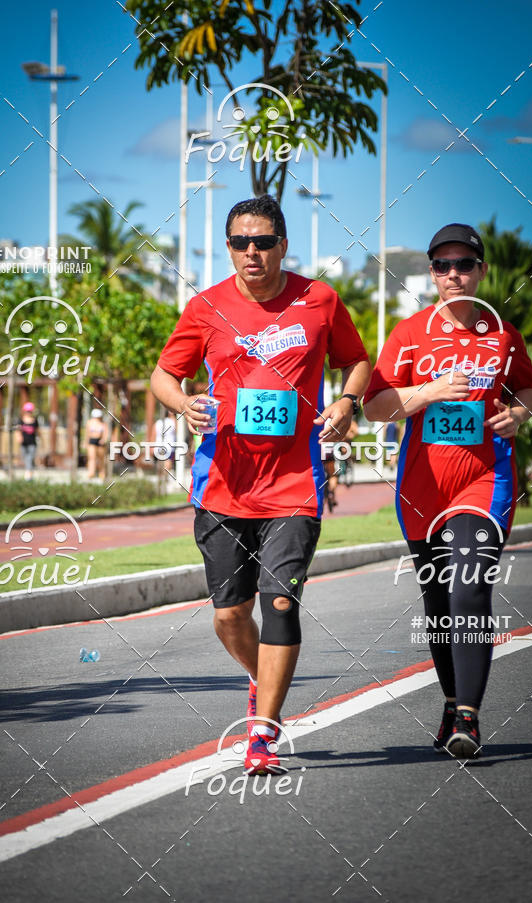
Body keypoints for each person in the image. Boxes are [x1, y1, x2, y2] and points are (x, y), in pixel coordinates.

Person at [150, 194, 371, 774]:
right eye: (241, 242)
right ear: (228, 247)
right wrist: (184, 403)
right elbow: (164, 374)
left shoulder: (318, 300)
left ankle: (263, 733)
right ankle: (261, 678)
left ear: (283, 244)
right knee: (229, 615)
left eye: (264, 241)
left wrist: (348, 402)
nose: (253, 252)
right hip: (221, 483)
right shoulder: (205, 307)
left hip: (295, 482)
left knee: (279, 600)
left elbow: (357, 360)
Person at [363, 223, 532, 759]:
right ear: (432, 274)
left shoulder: (503, 334)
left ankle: (469, 715)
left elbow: (530, 387)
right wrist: (428, 391)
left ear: (481, 271)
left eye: (463, 264)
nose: (453, 274)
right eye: (442, 266)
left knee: (468, 589)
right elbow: (376, 407)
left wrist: (517, 414)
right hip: (422, 486)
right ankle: (450, 701)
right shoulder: (410, 333)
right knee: (438, 601)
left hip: (484, 478)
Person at [17, 402, 39, 480]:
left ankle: (28, 475)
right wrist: (19, 437)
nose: (28, 413)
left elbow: (38, 431)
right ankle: (30, 474)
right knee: (25, 458)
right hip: (24, 443)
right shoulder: (21, 420)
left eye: (30, 411)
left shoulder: (35, 421)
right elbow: (18, 430)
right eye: (27, 411)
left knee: (30, 458)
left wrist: (40, 439)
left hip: (32, 443)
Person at [85, 409, 108, 480]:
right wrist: (86, 442)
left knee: (101, 458)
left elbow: (106, 433)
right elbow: (87, 434)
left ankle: (102, 472)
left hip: (100, 442)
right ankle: (91, 472)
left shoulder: (103, 424)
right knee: (92, 457)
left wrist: (104, 440)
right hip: (92, 441)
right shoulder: (89, 423)